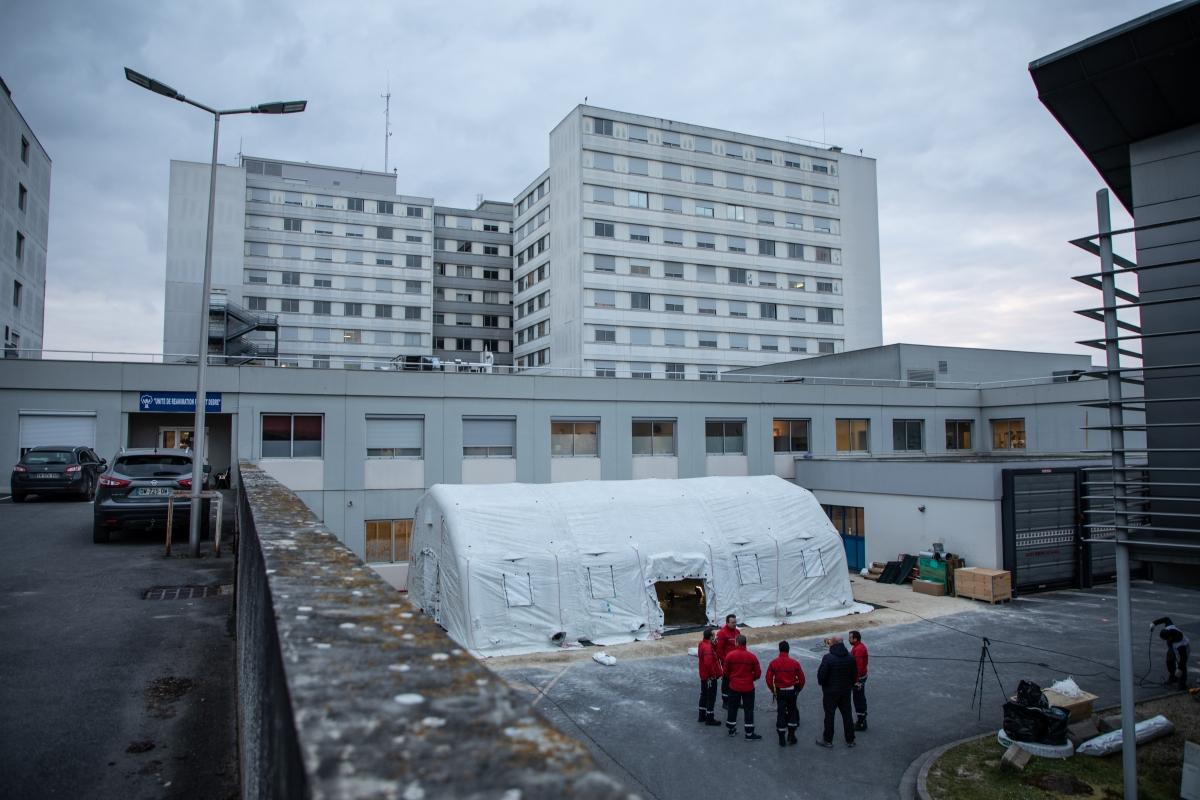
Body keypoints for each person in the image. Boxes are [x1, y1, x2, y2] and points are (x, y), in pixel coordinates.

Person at [816, 635, 857, 748]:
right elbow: (854, 676)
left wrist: (823, 684)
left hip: (830, 692)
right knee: (847, 715)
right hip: (845, 691)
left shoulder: (828, 658)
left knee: (829, 716)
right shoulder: (850, 657)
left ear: (832, 644)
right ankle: (850, 740)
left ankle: (828, 740)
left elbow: (821, 675)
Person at [765, 640, 805, 746]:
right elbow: (802, 678)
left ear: (779, 649)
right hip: (792, 691)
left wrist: (773, 690)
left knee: (781, 713)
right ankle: (791, 736)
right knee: (792, 712)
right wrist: (798, 690)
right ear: (788, 650)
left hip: (780, 691)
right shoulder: (795, 663)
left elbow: (768, 679)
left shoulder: (774, 663)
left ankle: (781, 738)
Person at [723, 634, 762, 740]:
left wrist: (732, 677)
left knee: (732, 708)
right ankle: (749, 733)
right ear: (745, 643)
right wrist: (750, 678)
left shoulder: (730, 655)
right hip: (748, 687)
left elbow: (725, 672)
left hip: (734, 686)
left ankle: (731, 729)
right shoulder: (752, 657)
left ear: (736, 643)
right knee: (748, 709)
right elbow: (758, 673)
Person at [1153, 616, 1190, 688]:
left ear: (1170, 637)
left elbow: (1183, 658)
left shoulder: (1180, 645)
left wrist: (1179, 669)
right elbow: (1166, 619)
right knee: (1169, 661)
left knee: (1181, 666)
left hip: (1184, 649)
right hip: (1172, 648)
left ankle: (1182, 684)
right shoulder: (1169, 627)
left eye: (1165, 639)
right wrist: (1154, 623)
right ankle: (1173, 677)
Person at [697, 627, 723, 726]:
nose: (715, 636)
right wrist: (713, 675)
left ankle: (702, 715)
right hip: (710, 677)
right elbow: (708, 663)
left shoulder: (702, 644)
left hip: (704, 676)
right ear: (711, 636)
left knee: (704, 695)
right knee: (711, 697)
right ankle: (710, 718)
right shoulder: (708, 647)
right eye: (714, 635)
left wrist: (715, 644)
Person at [715, 613, 739, 708]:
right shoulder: (722, 633)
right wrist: (724, 661)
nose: (734, 624)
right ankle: (726, 702)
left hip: (737, 662)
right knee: (726, 681)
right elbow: (719, 650)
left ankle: (735, 700)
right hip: (727, 663)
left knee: (736, 681)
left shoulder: (737, 632)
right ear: (727, 623)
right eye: (732, 622)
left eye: (735, 622)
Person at [849, 630, 869, 731]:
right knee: (860, 698)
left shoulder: (859, 649)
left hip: (859, 678)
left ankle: (861, 722)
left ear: (855, 639)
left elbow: (859, 667)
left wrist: (856, 680)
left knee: (858, 699)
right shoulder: (857, 647)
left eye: (850, 638)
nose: (849, 639)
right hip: (860, 677)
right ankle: (862, 720)